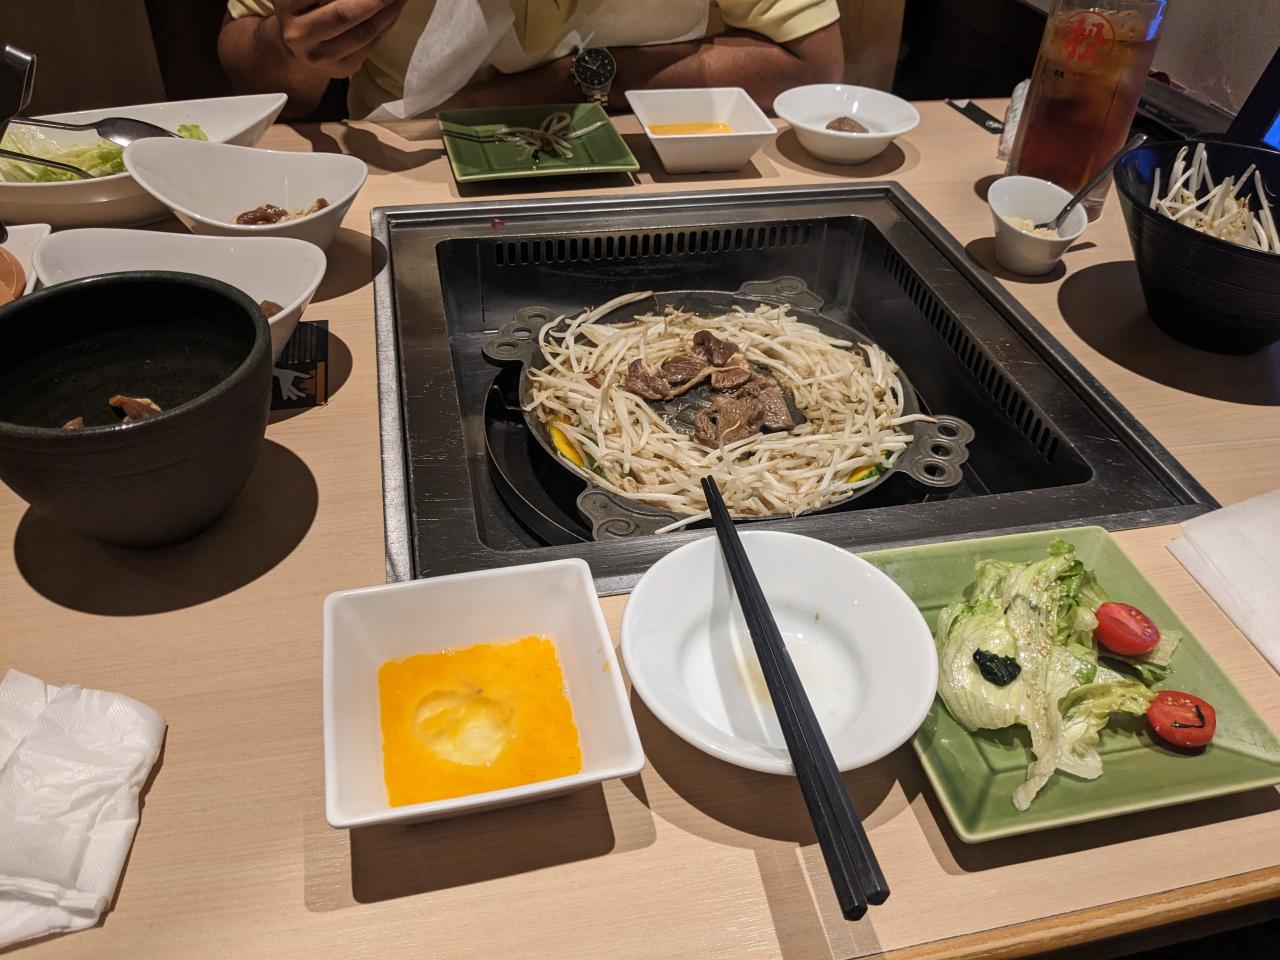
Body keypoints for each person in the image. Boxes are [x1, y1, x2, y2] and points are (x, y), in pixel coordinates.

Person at [218, 0, 844, 120]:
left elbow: (815, 67)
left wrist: (573, 80)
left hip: (657, 182)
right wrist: (296, 48)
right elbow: (250, 74)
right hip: (405, 187)